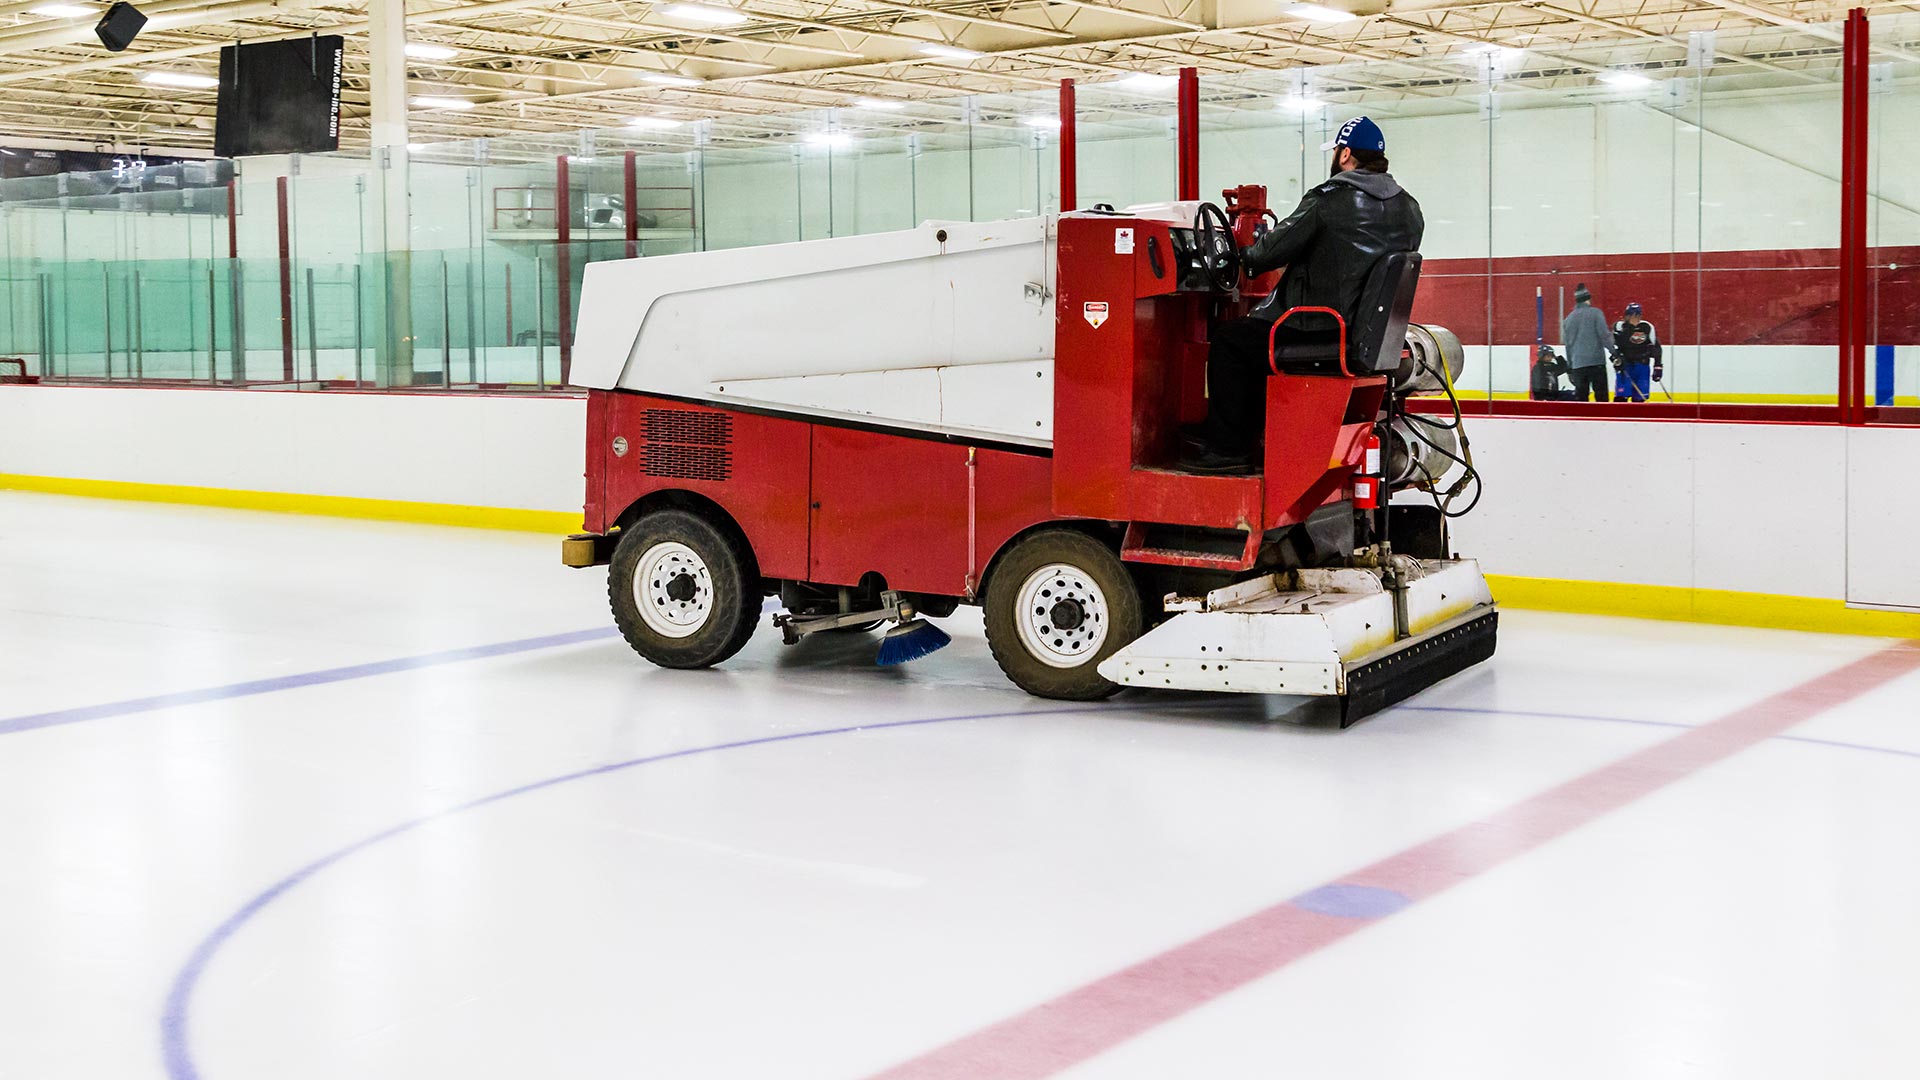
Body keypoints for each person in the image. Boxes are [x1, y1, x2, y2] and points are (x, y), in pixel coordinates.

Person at [1183, 116, 1425, 472]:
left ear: (1344, 155)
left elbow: (1268, 253)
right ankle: (1248, 436)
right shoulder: (1410, 208)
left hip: (1317, 329)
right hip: (1368, 335)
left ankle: (1229, 450)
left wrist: (1244, 256)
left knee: (1231, 341)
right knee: (1250, 340)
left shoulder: (1329, 199)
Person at [1559, 283, 1614, 402]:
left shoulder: (1568, 319)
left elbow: (1568, 346)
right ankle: (1603, 419)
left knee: (1581, 399)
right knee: (1601, 397)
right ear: (1588, 299)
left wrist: (1570, 367)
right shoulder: (1596, 313)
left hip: (1578, 364)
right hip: (1596, 362)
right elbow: (1604, 335)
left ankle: (1582, 419)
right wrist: (1613, 352)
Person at [1612, 301, 1663, 402]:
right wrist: (1616, 359)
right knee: (1621, 398)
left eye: (1637, 315)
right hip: (1625, 367)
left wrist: (1658, 366)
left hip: (1642, 367)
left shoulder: (1647, 327)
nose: (1634, 318)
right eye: (1631, 315)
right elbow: (1613, 346)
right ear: (1626, 316)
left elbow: (1656, 348)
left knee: (1640, 399)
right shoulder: (1619, 327)